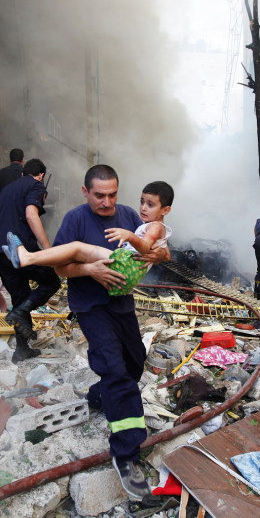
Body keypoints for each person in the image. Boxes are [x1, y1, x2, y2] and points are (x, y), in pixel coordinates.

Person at [51, 165, 170, 500]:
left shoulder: (131, 215)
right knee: (115, 371)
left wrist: (158, 252)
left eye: (112, 195)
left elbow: (154, 249)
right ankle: (126, 454)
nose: (107, 202)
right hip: (91, 306)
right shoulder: (75, 220)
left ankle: (99, 396)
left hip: (122, 304)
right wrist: (89, 269)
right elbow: (60, 267)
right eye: (99, 195)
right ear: (86, 192)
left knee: (134, 363)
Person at [2, 181, 173, 297]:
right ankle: (27, 257)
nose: (143, 208)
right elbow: (166, 255)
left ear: (165, 210)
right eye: (142, 202)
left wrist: (130, 236)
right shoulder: (153, 226)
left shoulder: (155, 226)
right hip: (125, 274)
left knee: (76, 249)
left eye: (150, 205)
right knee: (73, 252)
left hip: (125, 266)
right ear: (86, 192)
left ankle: (28, 257)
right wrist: (158, 254)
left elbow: (146, 247)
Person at [0, 158, 61, 363]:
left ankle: (22, 350)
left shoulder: (7, 190)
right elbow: (31, 214)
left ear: (22, 174)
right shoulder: (36, 184)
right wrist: (48, 249)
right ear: (41, 175)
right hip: (21, 249)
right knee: (52, 281)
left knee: (20, 296)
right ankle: (21, 312)